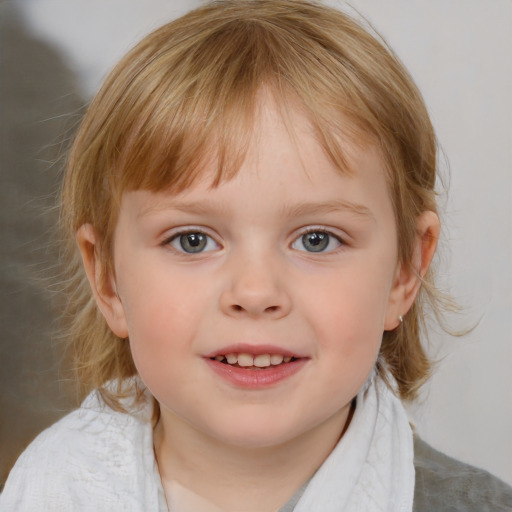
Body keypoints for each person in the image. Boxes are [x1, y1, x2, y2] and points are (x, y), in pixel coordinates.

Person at [1, 1, 510, 510]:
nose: (255, 292)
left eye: (317, 239)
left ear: (405, 271)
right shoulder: (45, 490)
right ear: (108, 278)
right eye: (192, 240)